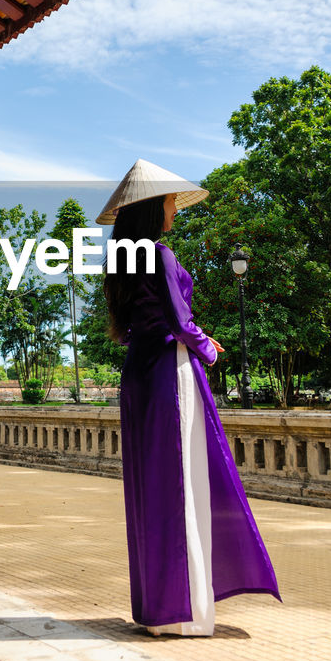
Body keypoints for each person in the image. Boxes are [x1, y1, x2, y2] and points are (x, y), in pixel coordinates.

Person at [98, 159, 280, 636]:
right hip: (168, 377)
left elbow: (151, 321)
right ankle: (184, 613)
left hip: (138, 375)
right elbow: (180, 324)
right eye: (172, 201)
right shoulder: (159, 254)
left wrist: (197, 336)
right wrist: (207, 349)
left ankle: (160, 609)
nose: (175, 209)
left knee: (151, 488)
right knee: (184, 484)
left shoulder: (122, 260)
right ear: (154, 206)